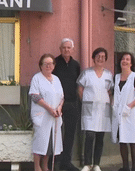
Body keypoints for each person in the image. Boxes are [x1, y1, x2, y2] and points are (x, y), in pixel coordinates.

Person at [77, 48, 114, 171]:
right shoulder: (86, 73)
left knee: (100, 137)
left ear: (105, 59)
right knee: (89, 135)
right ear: (93, 58)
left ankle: (97, 164)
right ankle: (87, 164)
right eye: (98, 56)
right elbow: (80, 89)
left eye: (103, 56)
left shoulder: (109, 75)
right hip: (89, 109)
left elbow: (110, 91)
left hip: (103, 109)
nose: (100, 58)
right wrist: (85, 101)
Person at [29, 53, 64, 171]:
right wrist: (49, 109)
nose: (48, 66)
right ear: (41, 66)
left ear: (54, 66)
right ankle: (37, 166)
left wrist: (59, 108)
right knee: (40, 141)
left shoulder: (57, 79)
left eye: (51, 64)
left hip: (54, 116)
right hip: (42, 115)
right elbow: (35, 96)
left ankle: (45, 166)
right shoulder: (37, 78)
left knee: (50, 143)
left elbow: (62, 97)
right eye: (46, 64)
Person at [111, 52, 135, 171]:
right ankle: (125, 167)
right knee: (122, 141)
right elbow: (114, 93)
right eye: (123, 59)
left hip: (130, 113)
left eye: (127, 59)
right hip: (118, 113)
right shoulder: (117, 77)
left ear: (131, 63)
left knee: (133, 141)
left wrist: (128, 107)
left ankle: (134, 168)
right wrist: (113, 103)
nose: (125, 61)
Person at [52, 38, 81, 171]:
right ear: (60, 49)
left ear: (72, 49)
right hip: (56, 105)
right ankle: (54, 162)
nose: (66, 50)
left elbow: (79, 84)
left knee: (69, 134)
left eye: (69, 47)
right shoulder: (55, 63)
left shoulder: (76, 65)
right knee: (55, 133)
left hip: (72, 103)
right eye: (64, 47)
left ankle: (66, 163)